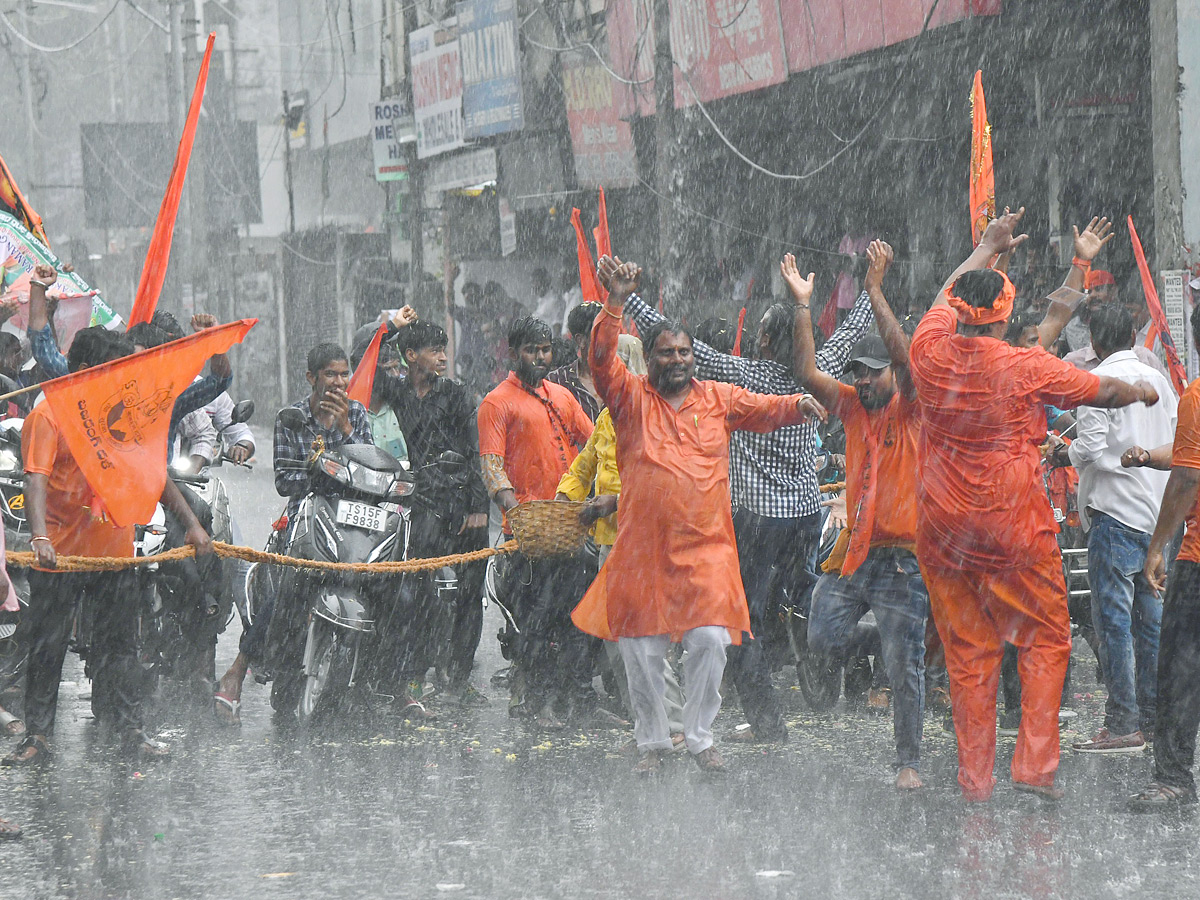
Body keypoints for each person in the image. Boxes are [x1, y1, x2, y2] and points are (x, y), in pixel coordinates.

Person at [907, 207, 1160, 802]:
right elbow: (1108, 389)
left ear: (958, 313)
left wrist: (986, 248)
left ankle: (976, 782)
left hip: (943, 531)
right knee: (1046, 639)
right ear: (1003, 315)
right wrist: (1146, 390)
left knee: (968, 655)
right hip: (1013, 525)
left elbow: (953, 296)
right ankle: (1034, 768)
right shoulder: (1025, 367)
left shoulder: (929, 352)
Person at [572, 259, 826, 774]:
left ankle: (699, 735)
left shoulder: (717, 399)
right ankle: (652, 743)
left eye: (685, 352)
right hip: (643, 547)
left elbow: (763, 408)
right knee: (641, 651)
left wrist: (798, 404)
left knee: (711, 640)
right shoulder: (627, 397)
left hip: (707, 547)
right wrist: (614, 303)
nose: (678, 360)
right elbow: (600, 358)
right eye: (667, 353)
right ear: (650, 360)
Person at [609, 256, 874, 745]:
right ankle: (821, 662)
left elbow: (678, 346)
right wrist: (873, 282)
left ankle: (768, 723)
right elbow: (856, 324)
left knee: (740, 620)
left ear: (768, 342)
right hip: (807, 515)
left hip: (757, 521)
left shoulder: (748, 376)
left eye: (761, 336)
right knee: (800, 606)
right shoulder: (828, 365)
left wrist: (626, 298)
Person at [3, 327, 214, 766]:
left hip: (113, 550)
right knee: (48, 646)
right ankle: (38, 737)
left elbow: (153, 475)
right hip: (59, 554)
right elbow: (35, 478)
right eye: (113, 370)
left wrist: (192, 525)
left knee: (120, 647)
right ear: (85, 371)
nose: (122, 379)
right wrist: (40, 536)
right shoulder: (50, 414)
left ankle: (130, 731)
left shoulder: (120, 415)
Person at [786, 241, 929, 790]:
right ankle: (876, 641)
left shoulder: (913, 403)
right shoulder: (849, 404)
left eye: (873, 373)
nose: (864, 381)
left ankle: (909, 763)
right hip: (855, 553)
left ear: (890, 375)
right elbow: (804, 371)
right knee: (821, 635)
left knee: (905, 669)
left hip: (902, 562)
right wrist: (803, 305)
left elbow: (905, 357)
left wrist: (873, 291)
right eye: (858, 374)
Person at [1044, 304, 1176, 754]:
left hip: (1115, 516)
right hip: (1156, 517)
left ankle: (1123, 722)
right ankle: (1154, 718)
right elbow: (1174, 440)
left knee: (1114, 624)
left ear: (1095, 341)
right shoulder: (1158, 380)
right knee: (1150, 622)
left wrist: (1063, 454)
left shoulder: (1098, 384)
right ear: (1134, 334)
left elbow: (1092, 447)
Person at [219, 343, 373, 722]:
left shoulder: (357, 414)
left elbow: (370, 477)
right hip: (305, 517)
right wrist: (327, 472)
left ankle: (382, 683)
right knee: (287, 590)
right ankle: (239, 668)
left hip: (352, 520)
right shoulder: (292, 417)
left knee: (385, 582)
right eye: (330, 375)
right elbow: (288, 482)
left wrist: (346, 431)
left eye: (343, 375)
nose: (339, 383)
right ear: (311, 378)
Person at [477, 316, 595, 728]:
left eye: (545, 350)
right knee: (537, 620)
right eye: (532, 350)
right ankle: (538, 702)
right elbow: (491, 468)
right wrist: (517, 511)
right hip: (526, 536)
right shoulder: (497, 402)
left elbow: (594, 441)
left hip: (568, 527)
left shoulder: (563, 396)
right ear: (514, 353)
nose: (541, 357)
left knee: (578, 617)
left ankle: (576, 700)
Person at [386, 320, 491, 708]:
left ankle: (460, 678)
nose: (444, 357)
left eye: (445, 349)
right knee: (416, 593)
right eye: (434, 350)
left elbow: (477, 450)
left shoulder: (458, 395)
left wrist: (479, 506)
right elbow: (357, 368)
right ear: (411, 356)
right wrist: (388, 327)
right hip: (419, 506)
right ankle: (414, 676)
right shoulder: (394, 392)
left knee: (468, 593)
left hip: (461, 504)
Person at [1128, 307, 1200, 808]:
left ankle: (1173, 777)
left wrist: (1157, 546)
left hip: (1197, 561)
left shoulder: (1198, 397)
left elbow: (1187, 477)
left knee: (1179, 667)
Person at [547, 302, 605, 423]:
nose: (610, 340)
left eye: (613, 333)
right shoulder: (556, 381)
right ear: (581, 340)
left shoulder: (623, 381)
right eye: (602, 334)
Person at [531, 268, 562, 337]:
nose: (534, 286)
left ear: (545, 282)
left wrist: (554, 345)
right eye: (533, 283)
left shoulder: (553, 300)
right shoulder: (540, 301)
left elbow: (557, 323)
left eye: (536, 282)